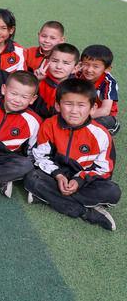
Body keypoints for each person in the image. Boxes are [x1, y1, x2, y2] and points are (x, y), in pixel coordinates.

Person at [24, 78, 121, 231]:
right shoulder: (49, 125)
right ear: (58, 105)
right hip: (54, 175)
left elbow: (105, 170)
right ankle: (87, 212)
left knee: (112, 192)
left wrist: (79, 180)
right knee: (32, 178)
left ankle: (46, 196)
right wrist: (58, 175)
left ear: (93, 108)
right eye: (68, 104)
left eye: (81, 105)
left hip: (84, 179)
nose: (74, 111)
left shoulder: (101, 135)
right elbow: (40, 156)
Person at [31, 43, 80, 119]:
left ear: (75, 68)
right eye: (55, 61)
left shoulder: (79, 89)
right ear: (47, 62)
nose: (59, 66)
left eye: (66, 63)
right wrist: (35, 81)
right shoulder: (38, 80)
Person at [78, 44, 119, 135]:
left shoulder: (108, 82)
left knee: (103, 123)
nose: (89, 69)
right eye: (86, 64)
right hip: (80, 109)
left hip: (100, 114)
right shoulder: (77, 73)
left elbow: (105, 110)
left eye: (95, 66)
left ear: (107, 69)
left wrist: (80, 118)